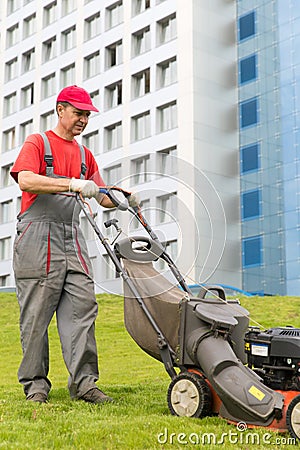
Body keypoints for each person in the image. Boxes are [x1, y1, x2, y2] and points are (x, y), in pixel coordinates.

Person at [10, 85, 136, 404]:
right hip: (38, 239)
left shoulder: (84, 154)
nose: (83, 119)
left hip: (72, 237)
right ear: (60, 110)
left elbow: (100, 193)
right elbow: (25, 179)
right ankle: (36, 386)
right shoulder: (38, 142)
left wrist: (123, 199)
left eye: (87, 115)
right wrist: (70, 183)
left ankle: (84, 384)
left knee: (82, 310)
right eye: (78, 113)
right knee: (36, 317)